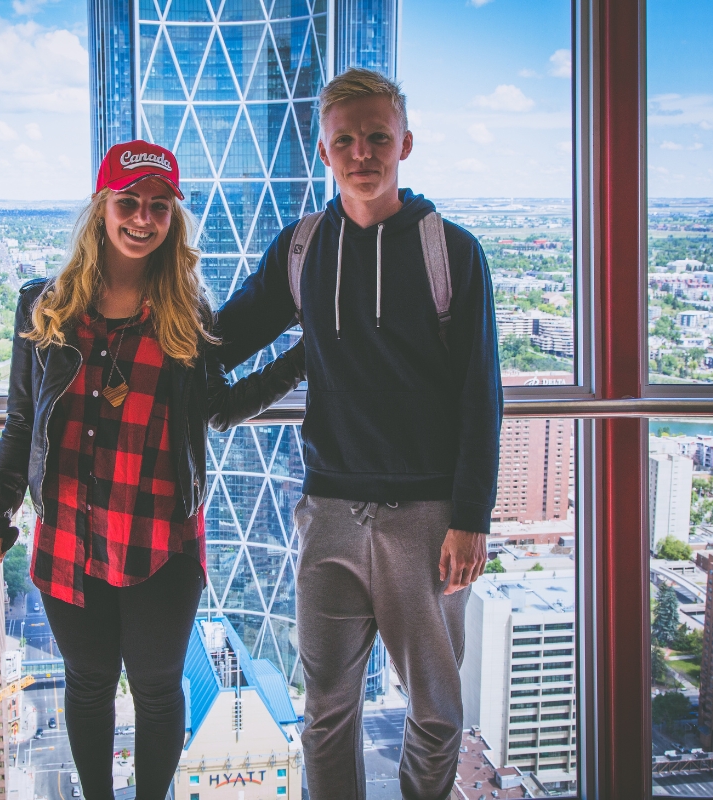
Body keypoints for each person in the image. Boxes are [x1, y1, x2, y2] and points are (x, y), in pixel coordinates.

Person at [0, 140, 306, 800]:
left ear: (172, 220)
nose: (142, 219)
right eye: (128, 203)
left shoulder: (187, 313)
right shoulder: (43, 306)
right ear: (101, 210)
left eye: (158, 206)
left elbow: (223, 407)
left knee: (156, 688)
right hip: (68, 533)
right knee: (89, 684)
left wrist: (307, 358)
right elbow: (20, 420)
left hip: (161, 538)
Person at [214, 69, 503, 800]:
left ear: (406, 142)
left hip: (429, 518)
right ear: (323, 151)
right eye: (345, 139)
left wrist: (471, 518)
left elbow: (481, 394)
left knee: (438, 714)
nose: (363, 152)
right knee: (325, 712)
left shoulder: (452, 252)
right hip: (330, 513)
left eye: (378, 136)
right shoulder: (303, 247)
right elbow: (226, 337)